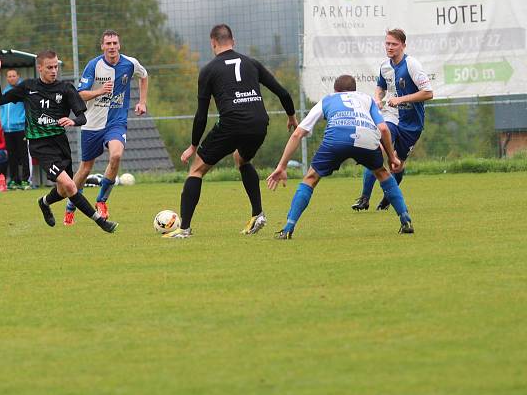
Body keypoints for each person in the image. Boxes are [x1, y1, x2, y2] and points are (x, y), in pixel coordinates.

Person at [163, 25, 297, 239]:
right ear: (232, 41)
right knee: (241, 160)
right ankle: (257, 214)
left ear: (213, 43)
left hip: (232, 124)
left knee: (196, 170)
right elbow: (283, 92)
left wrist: (193, 145)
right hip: (259, 123)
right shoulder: (252, 63)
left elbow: (201, 115)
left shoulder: (208, 70)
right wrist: (291, 116)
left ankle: (184, 229)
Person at [267, 74, 414, 239]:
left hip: (336, 139)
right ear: (354, 90)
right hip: (366, 138)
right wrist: (391, 157)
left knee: (310, 178)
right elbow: (384, 129)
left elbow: (297, 134)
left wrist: (282, 166)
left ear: (335, 90)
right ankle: (405, 219)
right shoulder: (366, 99)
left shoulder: (328, 99)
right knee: (382, 173)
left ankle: (288, 228)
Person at [0, 51, 117, 233]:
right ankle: (101, 222)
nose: (54, 70)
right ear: (39, 67)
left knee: (64, 190)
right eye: (49, 67)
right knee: (70, 185)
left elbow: (82, 118)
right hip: (39, 145)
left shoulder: (66, 89)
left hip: (60, 144)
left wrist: (73, 121)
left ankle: (44, 202)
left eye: (56, 66)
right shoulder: (28, 87)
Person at [64, 29, 148, 225]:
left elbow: (144, 76)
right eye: (108, 44)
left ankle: (101, 201)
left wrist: (142, 101)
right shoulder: (93, 66)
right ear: (102, 46)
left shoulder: (130, 63)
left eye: (115, 43)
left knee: (116, 155)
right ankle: (70, 206)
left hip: (115, 122)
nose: (112, 47)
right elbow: (79, 94)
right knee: (85, 169)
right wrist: (99, 91)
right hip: (92, 124)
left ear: (119, 45)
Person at [351, 28, 433, 211]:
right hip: (391, 117)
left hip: (412, 122)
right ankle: (364, 198)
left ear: (403, 45)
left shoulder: (412, 65)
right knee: (376, 149)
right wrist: (378, 99)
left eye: (394, 44)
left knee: (397, 164)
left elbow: (428, 93)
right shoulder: (384, 66)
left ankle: (389, 198)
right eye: (387, 43)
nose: (390, 47)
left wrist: (401, 99)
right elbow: (380, 87)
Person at [1, 69, 31, 190]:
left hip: (20, 128)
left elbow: (29, 108)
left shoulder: (23, 90)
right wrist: (3, 123)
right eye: (9, 76)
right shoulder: (5, 91)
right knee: (11, 156)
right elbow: (3, 109)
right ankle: (14, 180)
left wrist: (24, 123)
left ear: (18, 76)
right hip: (8, 130)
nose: (11, 78)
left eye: (14, 76)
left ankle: (25, 180)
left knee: (24, 155)